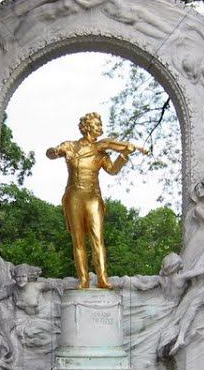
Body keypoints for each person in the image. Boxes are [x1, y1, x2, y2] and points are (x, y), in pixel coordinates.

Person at [46, 112, 149, 289]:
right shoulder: (70, 145)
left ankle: (102, 278)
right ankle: (83, 280)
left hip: (93, 197)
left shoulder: (101, 150)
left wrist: (124, 155)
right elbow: (49, 154)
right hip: (74, 196)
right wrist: (56, 151)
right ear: (87, 127)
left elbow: (112, 170)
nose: (101, 129)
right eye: (97, 125)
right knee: (78, 240)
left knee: (97, 238)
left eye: (100, 126)